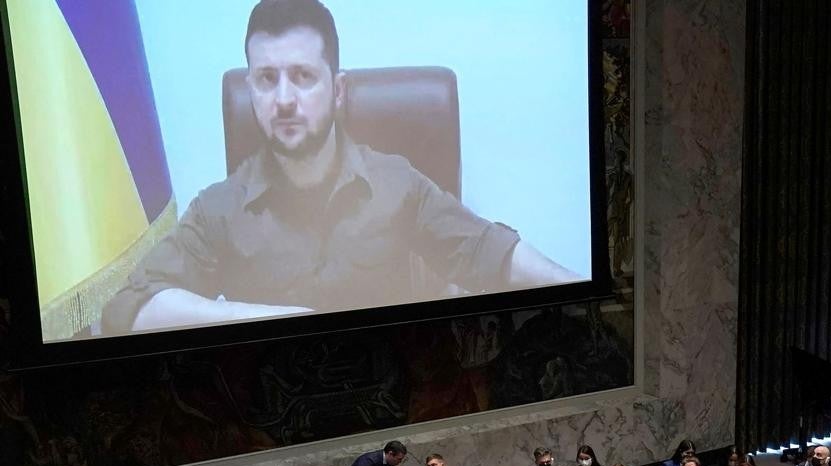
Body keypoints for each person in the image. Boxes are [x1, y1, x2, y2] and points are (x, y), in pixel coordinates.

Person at [100, 0, 576, 335]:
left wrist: (584, 294)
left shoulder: (395, 182)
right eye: (267, 79)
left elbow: (489, 252)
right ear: (251, 90)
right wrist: (275, 319)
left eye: (303, 77)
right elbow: (128, 309)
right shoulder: (219, 208)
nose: (284, 99)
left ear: (338, 90)